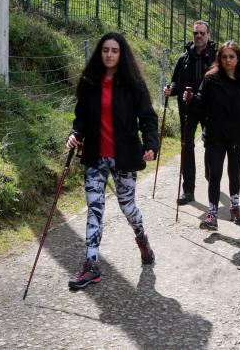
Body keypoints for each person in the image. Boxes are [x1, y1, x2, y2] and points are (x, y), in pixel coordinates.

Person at [66, 32, 159, 290]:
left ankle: (142, 239)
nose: (109, 54)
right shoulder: (90, 82)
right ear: (100, 53)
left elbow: (148, 119)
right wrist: (75, 135)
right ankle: (91, 265)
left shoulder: (133, 84)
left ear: (122, 54)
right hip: (95, 156)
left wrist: (151, 145)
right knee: (94, 210)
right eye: (105, 50)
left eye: (114, 50)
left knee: (128, 207)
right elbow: (81, 118)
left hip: (125, 157)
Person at [183, 41, 240, 231]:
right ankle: (212, 214)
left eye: (231, 57)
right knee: (215, 174)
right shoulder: (211, 79)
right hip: (215, 134)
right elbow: (201, 102)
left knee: (234, 172)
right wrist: (192, 98)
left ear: (238, 59)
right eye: (224, 57)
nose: (228, 60)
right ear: (220, 58)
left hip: (238, 134)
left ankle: (234, 206)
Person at [164, 20, 216, 205]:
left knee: (211, 145)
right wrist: (170, 89)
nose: (199, 36)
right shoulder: (183, 59)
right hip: (187, 109)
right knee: (187, 147)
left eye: (202, 33)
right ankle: (188, 190)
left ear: (208, 35)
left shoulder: (217, 58)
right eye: (196, 33)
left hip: (209, 108)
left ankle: (210, 174)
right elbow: (175, 83)